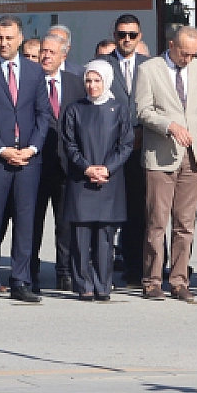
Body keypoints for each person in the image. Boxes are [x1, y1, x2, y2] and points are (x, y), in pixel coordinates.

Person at [0, 15, 50, 303]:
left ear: (19, 39)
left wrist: (32, 148)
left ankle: (21, 279)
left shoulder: (34, 71)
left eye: (7, 38)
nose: (1, 44)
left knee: (26, 222)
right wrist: (1, 149)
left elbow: (43, 115)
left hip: (28, 159)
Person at [133, 25, 197, 301]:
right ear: (171, 45)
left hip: (192, 156)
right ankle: (152, 280)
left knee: (185, 223)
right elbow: (143, 110)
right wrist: (169, 126)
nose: (188, 59)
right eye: (184, 54)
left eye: (193, 54)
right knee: (157, 222)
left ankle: (179, 280)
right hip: (161, 157)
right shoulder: (150, 69)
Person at [61, 61, 133, 301]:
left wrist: (107, 169)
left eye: (97, 81)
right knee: (81, 236)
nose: (92, 86)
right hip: (81, 181)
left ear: (106, 81)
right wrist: (87, 167)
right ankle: (84, 284)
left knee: (104, 236)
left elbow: (125, 145)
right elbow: (69, 145)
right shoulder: (74, 110)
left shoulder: (119, 109)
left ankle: (103, 284)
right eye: (88, 81)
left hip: (109, 181)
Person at [30, 31, 84, 292]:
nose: (46, 55)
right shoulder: (29, 80)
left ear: (64, 54)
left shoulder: (76, 83)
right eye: (43, 50)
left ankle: (65, 271)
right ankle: (30, 270)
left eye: (52, 52)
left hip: (66, 165)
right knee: (32, 220)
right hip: (36, 164)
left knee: (65, 222)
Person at [107, 14, 151, 282]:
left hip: (141, 146)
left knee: (138, 210)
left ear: (140, 37)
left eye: (132, 35)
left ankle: (136, 268)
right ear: (115, 35)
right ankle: (102, 267)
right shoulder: (102, 65)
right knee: (109, 212)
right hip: (110, 148)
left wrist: (142, 132)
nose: (126, 39)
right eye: (122, 34)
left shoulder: (151, 65)